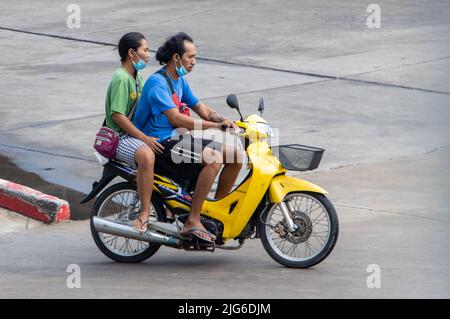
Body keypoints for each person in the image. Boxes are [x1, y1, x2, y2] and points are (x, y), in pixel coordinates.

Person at [134, 32, 244, 243]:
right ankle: (193, 220)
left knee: (236, 156)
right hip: (160, 144)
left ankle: (214, 213)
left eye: (195, 57)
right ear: (176, 58)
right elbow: (176, 119)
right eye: (190, 57)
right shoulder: (158, 83)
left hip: (177, 141)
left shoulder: (179, 80)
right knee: (214, 159)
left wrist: (225, 119)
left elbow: (202, 108)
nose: (194, 62)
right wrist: (214, 125)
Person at [104, 32, 164, 232]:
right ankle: (144, 212)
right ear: (132, 53)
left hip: (133, 135)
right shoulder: (121, 78)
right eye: (145, 50)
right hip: (119, 138)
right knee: (147, 156)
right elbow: (117, 116)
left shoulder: (137, 78)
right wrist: (144, 138)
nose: (148, 54)